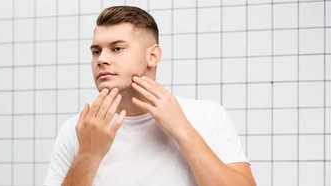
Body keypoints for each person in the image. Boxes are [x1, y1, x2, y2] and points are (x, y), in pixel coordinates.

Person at [43, 6, 256, 186]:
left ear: (152, 56)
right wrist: (88, 154)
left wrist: (182, 129)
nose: (102, 59)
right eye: (96, 51)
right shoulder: (78, 129)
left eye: (116, 48)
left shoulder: (207, 115)